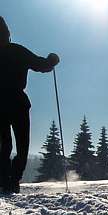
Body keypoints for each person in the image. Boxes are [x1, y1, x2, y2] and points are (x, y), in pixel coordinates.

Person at [0, 16, 60, 194]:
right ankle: (13, 179)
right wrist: (52, 61)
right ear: (8, 34)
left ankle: (4, 180)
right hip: (18, 103)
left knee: (4, 144)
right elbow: (41, 65)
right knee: (22, 144)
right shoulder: (18, 51)